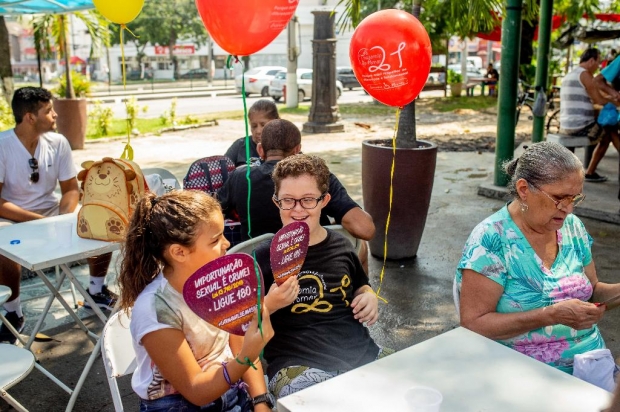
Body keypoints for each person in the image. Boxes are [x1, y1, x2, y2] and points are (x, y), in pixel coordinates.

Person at [456, 141, 620, 376]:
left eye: (575, 199)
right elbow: (473, 324)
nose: (569, 209)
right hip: (523, 369)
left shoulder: (571, 227)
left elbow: (592, 290)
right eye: (560, 198)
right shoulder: (491, 239)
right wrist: (550, 315)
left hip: (590, 362)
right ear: (524, 190)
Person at [117, 190, 280, 411]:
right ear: (179, 252)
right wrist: (247, 356)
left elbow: (239, 347)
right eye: (215, 239)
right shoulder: (155, 309)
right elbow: (197, 392)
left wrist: (261, 402)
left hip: (232, 391)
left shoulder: (222, 281)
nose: (226, 244)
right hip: (177, 405)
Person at [254, 154, 390, 398]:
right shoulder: (263, 258)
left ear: (324, 200)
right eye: (288, 200)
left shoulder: (342, 246)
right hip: (296, 365)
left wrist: (369, 295)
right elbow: (240, 327)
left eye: (307, 200)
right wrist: (270, 305)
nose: (297, 209)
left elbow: (361, 285)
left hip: (361, 353)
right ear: (277, 202)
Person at [0, 87, 114, 344]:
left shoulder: (58, 142)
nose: (55, 115)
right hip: (13, 214)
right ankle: (13, 312)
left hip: (51, 210)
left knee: (100, 221)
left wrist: (64, 215)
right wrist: (41, 223)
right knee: (1, 243)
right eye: (48, 110)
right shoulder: (2, 146)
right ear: (30, 117)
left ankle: (95, 290)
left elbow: (71, 189)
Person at [217, 119, 375, 268]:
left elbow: (211, 213)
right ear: (298, 149)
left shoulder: (241, 177)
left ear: (260, 150)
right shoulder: (318, 178)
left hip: (260, 268)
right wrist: (332, 227)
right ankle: (362, 294)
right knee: (361, 247)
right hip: (319, 264)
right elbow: (364, 229)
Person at [559, 48, 619, 183]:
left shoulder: (570, 74)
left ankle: (588, 171)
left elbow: (593, 98)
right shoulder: (585, 75)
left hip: (566, 124)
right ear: (591, 60)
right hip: (580, 126)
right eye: (598, 62)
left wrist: (607, 98)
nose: (599, 66)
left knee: (606, 130)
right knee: (609, 132)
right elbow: (599, 100)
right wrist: (615, 100)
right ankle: (590, 172)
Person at [224, 99, 279, 167]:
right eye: (254, 126)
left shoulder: (287, 145)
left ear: (276, 122)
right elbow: (223, 172)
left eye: (263, 125)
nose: (258, 131)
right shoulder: (240, 145)